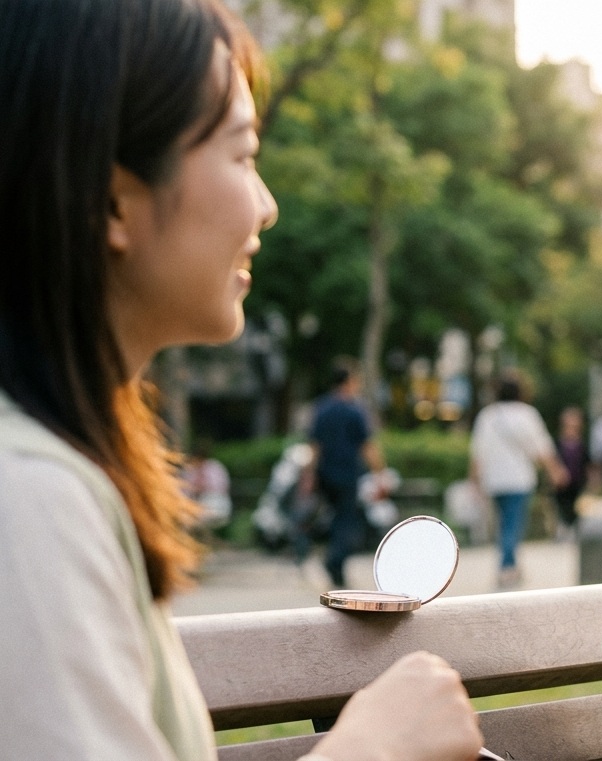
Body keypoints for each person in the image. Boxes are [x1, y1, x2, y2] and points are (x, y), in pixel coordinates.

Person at [0, 2, 483, 760]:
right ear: (110, 200)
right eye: (243, 155)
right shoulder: (28, 499)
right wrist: (373, 747)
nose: (267, 205)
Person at [469, 372, 568, 588]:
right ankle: (507, 567)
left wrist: (474, 480)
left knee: (504, 523)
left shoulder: (487, 416)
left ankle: (509, 563)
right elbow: (542, 448)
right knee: (513, 524)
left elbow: (478, 452)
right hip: (519, 479)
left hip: (494, 480)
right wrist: (555, 470)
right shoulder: (527, 414)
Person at [307, 356, 386, 587]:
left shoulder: (321, 408)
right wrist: (380, 473)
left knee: (334, 519)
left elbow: (314, 445)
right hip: (347, 474)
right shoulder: (355, 410)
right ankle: (334, 561)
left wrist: (310, 474)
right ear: (350, 380)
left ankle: (336, 568)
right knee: (347, 522)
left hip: (325, 473)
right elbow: (367, 446)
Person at [553, 405, 590, 541]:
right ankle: (562, 532)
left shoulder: (582, 444)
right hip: (561, 484)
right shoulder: (558, 443)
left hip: (577, 481)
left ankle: (575, 533)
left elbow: (587, 462)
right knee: (562, 508)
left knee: (577, 508)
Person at [182, 439, 233, 530]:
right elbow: (184, 490)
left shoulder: (214, 468)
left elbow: (221, 487)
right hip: (195, 504)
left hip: (214, 502)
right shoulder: (190, 471)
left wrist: (202, 488)